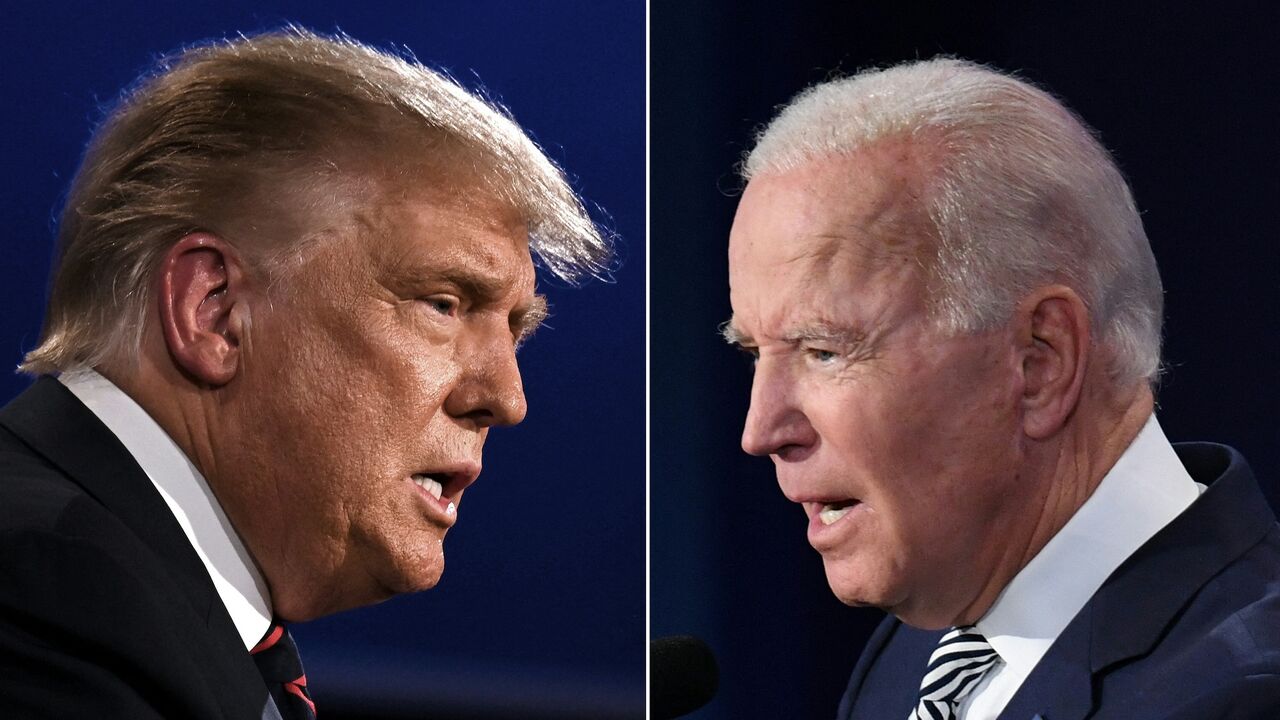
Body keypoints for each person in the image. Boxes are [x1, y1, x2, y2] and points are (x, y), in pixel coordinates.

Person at [0, 27, 609, 720]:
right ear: (214, 311)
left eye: (516, 331)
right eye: (443, 304)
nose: (505, 399)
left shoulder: (138, 594)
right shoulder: (48, 590)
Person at [722, 58, 1280, 719]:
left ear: (1039, 363)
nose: (761, 432)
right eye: (757, 352)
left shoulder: (1241, 691)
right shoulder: (914, 654)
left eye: (823, 351)